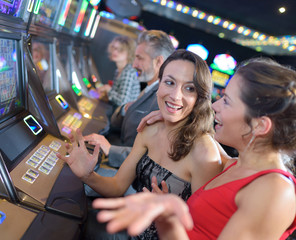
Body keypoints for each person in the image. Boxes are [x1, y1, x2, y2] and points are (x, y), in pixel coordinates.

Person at [92, 57, 296, 240]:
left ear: (260, 126)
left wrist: (169, 217)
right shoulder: (237, 164)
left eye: (227, 101)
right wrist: (175, 118)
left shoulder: (275, 191)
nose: (215, 106)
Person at [57, 49, 224, 239]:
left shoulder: (204, 150)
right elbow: (117, 186)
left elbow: (199, 231)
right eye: (169, 83)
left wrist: (168, 218)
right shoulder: (150, 128)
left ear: (200, 97)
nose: (176, 96)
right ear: (158, 84)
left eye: (189, 88)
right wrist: (88, 175)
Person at [85, 30, 175, 168]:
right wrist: (124, 110)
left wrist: (110, 149)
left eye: (139, 58)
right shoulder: (149, 89)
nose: (133, 64)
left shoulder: (164, 101)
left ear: (158, 61)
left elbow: (151, 156)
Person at [97, 35, 140, 108]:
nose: (115, 52)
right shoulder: (118, 70)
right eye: (114, 48)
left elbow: (123, 101)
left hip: (125, 116)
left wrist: (108, 89)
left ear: (129, 53)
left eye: (120, 49)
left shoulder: (128, 72)